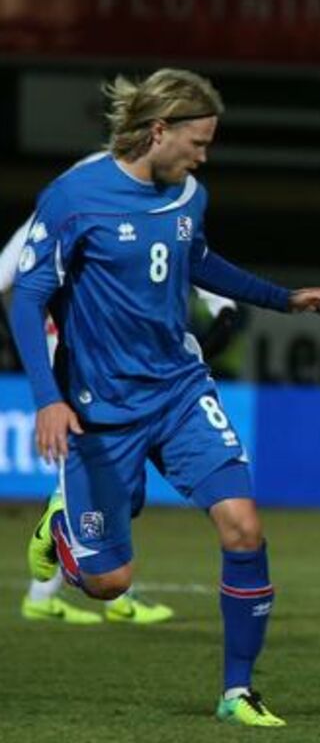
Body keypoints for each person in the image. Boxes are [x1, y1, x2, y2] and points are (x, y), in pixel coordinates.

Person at [9, 68, 320, 727]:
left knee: (244, 526)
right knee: (110, 583)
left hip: (180, 391)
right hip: (101, 408)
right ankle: (63, 528)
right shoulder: (74, 197)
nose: (204, 156)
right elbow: (27, 299)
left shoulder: (189, 194)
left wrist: (283, 299)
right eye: (199, 141)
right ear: (159, 131)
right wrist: (47, 398)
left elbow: (199, 260)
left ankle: (236, 691)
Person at [1, 215, 196, 625]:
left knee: (106, 475)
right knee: (106, 473)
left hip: (103, 358)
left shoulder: (107, 210)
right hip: (85, 362)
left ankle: (48, 592)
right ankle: (111, 592)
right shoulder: (68, 213)